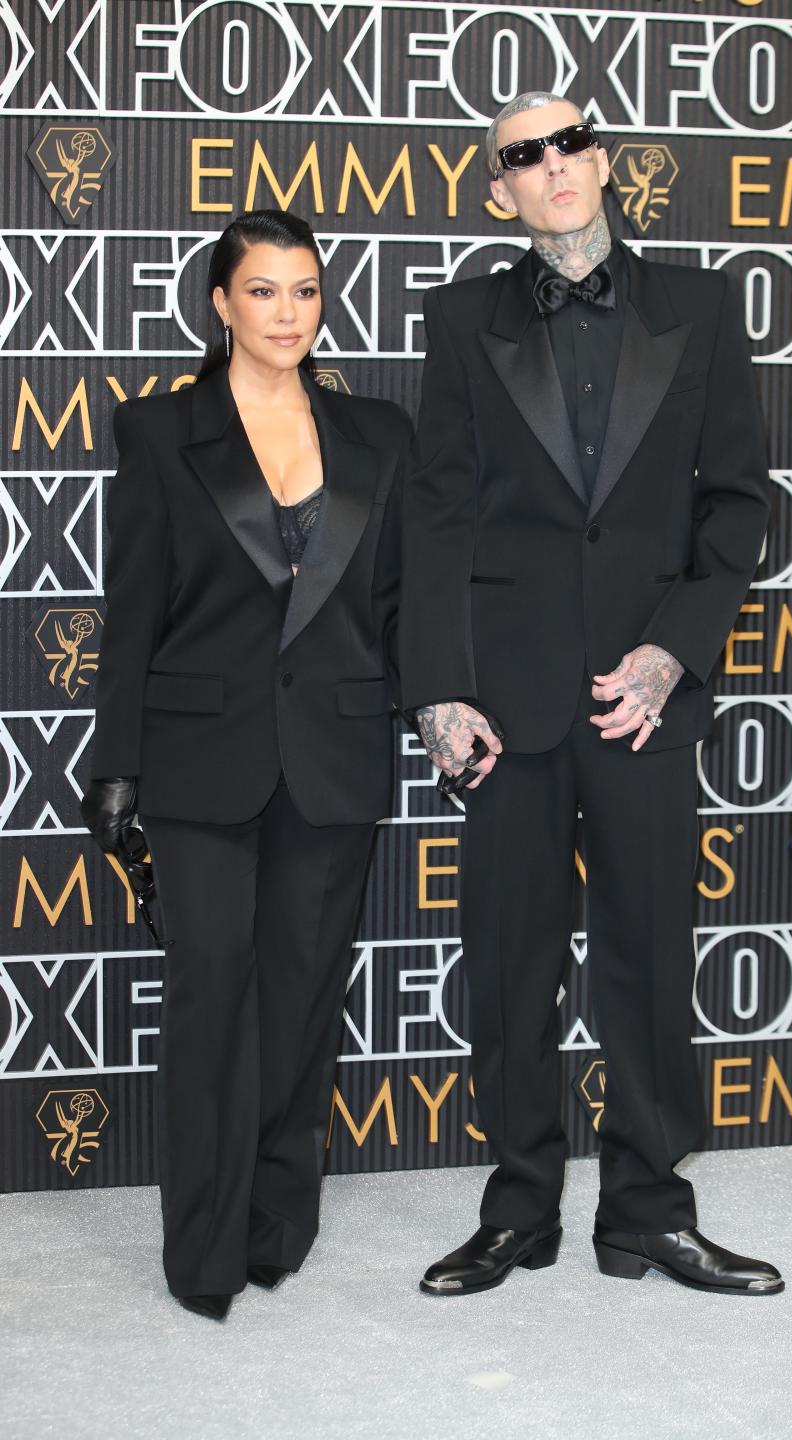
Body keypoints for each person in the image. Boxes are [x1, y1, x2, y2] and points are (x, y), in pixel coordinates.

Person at [400, 94, 783, 1297]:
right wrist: (439, 692)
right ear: (498, 188)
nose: (553, 166)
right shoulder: (464, 318)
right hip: (507, 710)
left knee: (650, 962)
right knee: (510, 966)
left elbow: (736, 504)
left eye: (570, 143)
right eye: (524, 155)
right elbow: (438, 516)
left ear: (605, 162)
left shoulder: (702, 307)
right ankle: (520, 1210)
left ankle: (649, 1212)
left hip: (648, 698)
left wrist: (674, 653)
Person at [81, 210, 411, 1320]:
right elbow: (131, 612)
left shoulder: (380, 436)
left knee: (305, 998)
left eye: (305, 291)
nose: (286, 313)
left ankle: (281, 1217)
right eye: (263, 291)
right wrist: (115, 759)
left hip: (333, 751)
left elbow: (399, 605)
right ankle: (204, 1244)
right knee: (211, 996)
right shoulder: (161, 430)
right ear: (220, 303)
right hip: (197, 757)